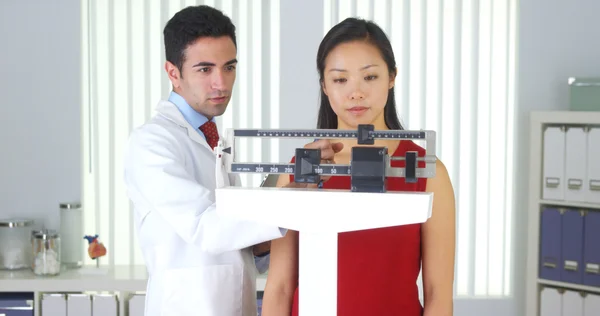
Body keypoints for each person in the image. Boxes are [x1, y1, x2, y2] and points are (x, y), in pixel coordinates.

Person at [123, 5, 340, 316]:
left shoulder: (214, 139)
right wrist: (286, 199)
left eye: (229, 67)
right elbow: (205, 227)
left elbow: (240, 246)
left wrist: (296, 184)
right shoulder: (152, 143)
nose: (221, 84)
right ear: (173, 73)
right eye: (205, 69)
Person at [261, 17, 456, 316]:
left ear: (392, 77)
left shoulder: (428, 173)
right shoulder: (301, 168)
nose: (356, 93)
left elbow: (438, 294)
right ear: (324, 86)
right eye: (340, 79)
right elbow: (280, 287)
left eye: (370, 77)